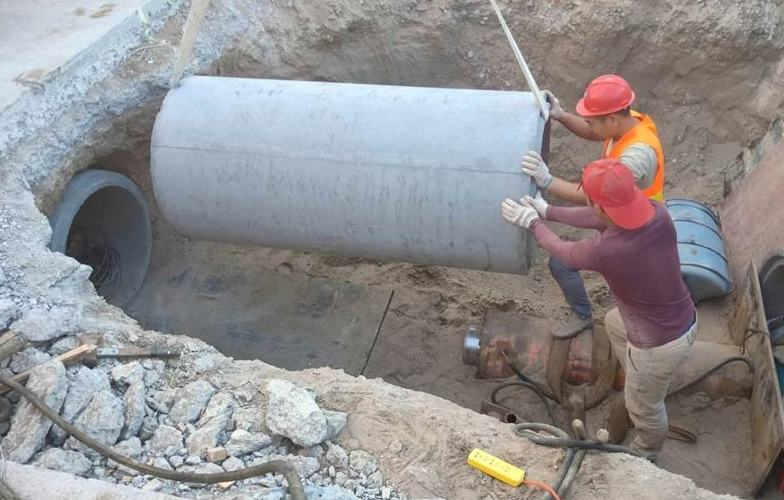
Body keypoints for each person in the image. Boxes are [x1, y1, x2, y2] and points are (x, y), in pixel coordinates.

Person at [500, 158, 696, 460]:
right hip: (680, 316)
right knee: (614, 322)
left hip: (659, 345)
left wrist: (534, 223)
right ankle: (639, 380)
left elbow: (565, 252)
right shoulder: (657, 212)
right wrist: (548, 210)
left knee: (644, 407)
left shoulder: (608, 250)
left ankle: (645, 452)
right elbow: (598, 217)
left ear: (601, 207)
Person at [521, 75, 665, 338]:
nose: (589, 126)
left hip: (635, 231)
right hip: (621, 214)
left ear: (612, 119)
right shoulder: (625, 122)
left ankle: (585, 316)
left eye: (591, 120)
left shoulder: (637, 154)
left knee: (565, 262)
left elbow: (596, 196)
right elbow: (594, 131)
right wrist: (561, 115)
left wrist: (548, 182)